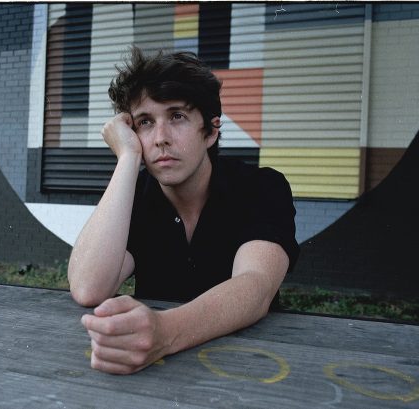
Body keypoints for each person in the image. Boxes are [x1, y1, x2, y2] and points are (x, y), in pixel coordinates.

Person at [68, 47, 299, 375]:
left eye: (177, 116)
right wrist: (127, 158)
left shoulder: (260, 187)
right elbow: (88, 288)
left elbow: (256, 286)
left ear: (211, 131)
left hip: (251, 365)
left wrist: (164, 332)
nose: (160, 138)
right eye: (145, 122)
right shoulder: (135, 194)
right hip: (156, 376)